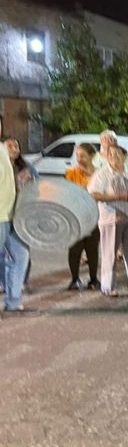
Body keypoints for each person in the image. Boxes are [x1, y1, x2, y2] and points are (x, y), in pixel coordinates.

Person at [87, 145, 128, 297]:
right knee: (110, 253)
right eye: (110, 154)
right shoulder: (101, 174)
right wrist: (118, 196)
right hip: (110, 218)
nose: (113, 156)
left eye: (117, 153)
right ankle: (108, 286)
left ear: (124, 156)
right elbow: (94, 194)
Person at [0, 116, 31, 316]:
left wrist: (19, 180)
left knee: (21, 255)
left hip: (11, 214)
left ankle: (12, 301)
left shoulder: (3, 150)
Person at [65, 143, 100, 291]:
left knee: (92, 250)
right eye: (77, 156)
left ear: (92, 156)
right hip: (76, 216)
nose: (79, 159)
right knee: (75, 250)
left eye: (82, 156)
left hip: (94, 216)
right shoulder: (71, 173)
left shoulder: (99, 174)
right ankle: (75, 279)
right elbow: (68, 192)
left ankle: (93, 279)